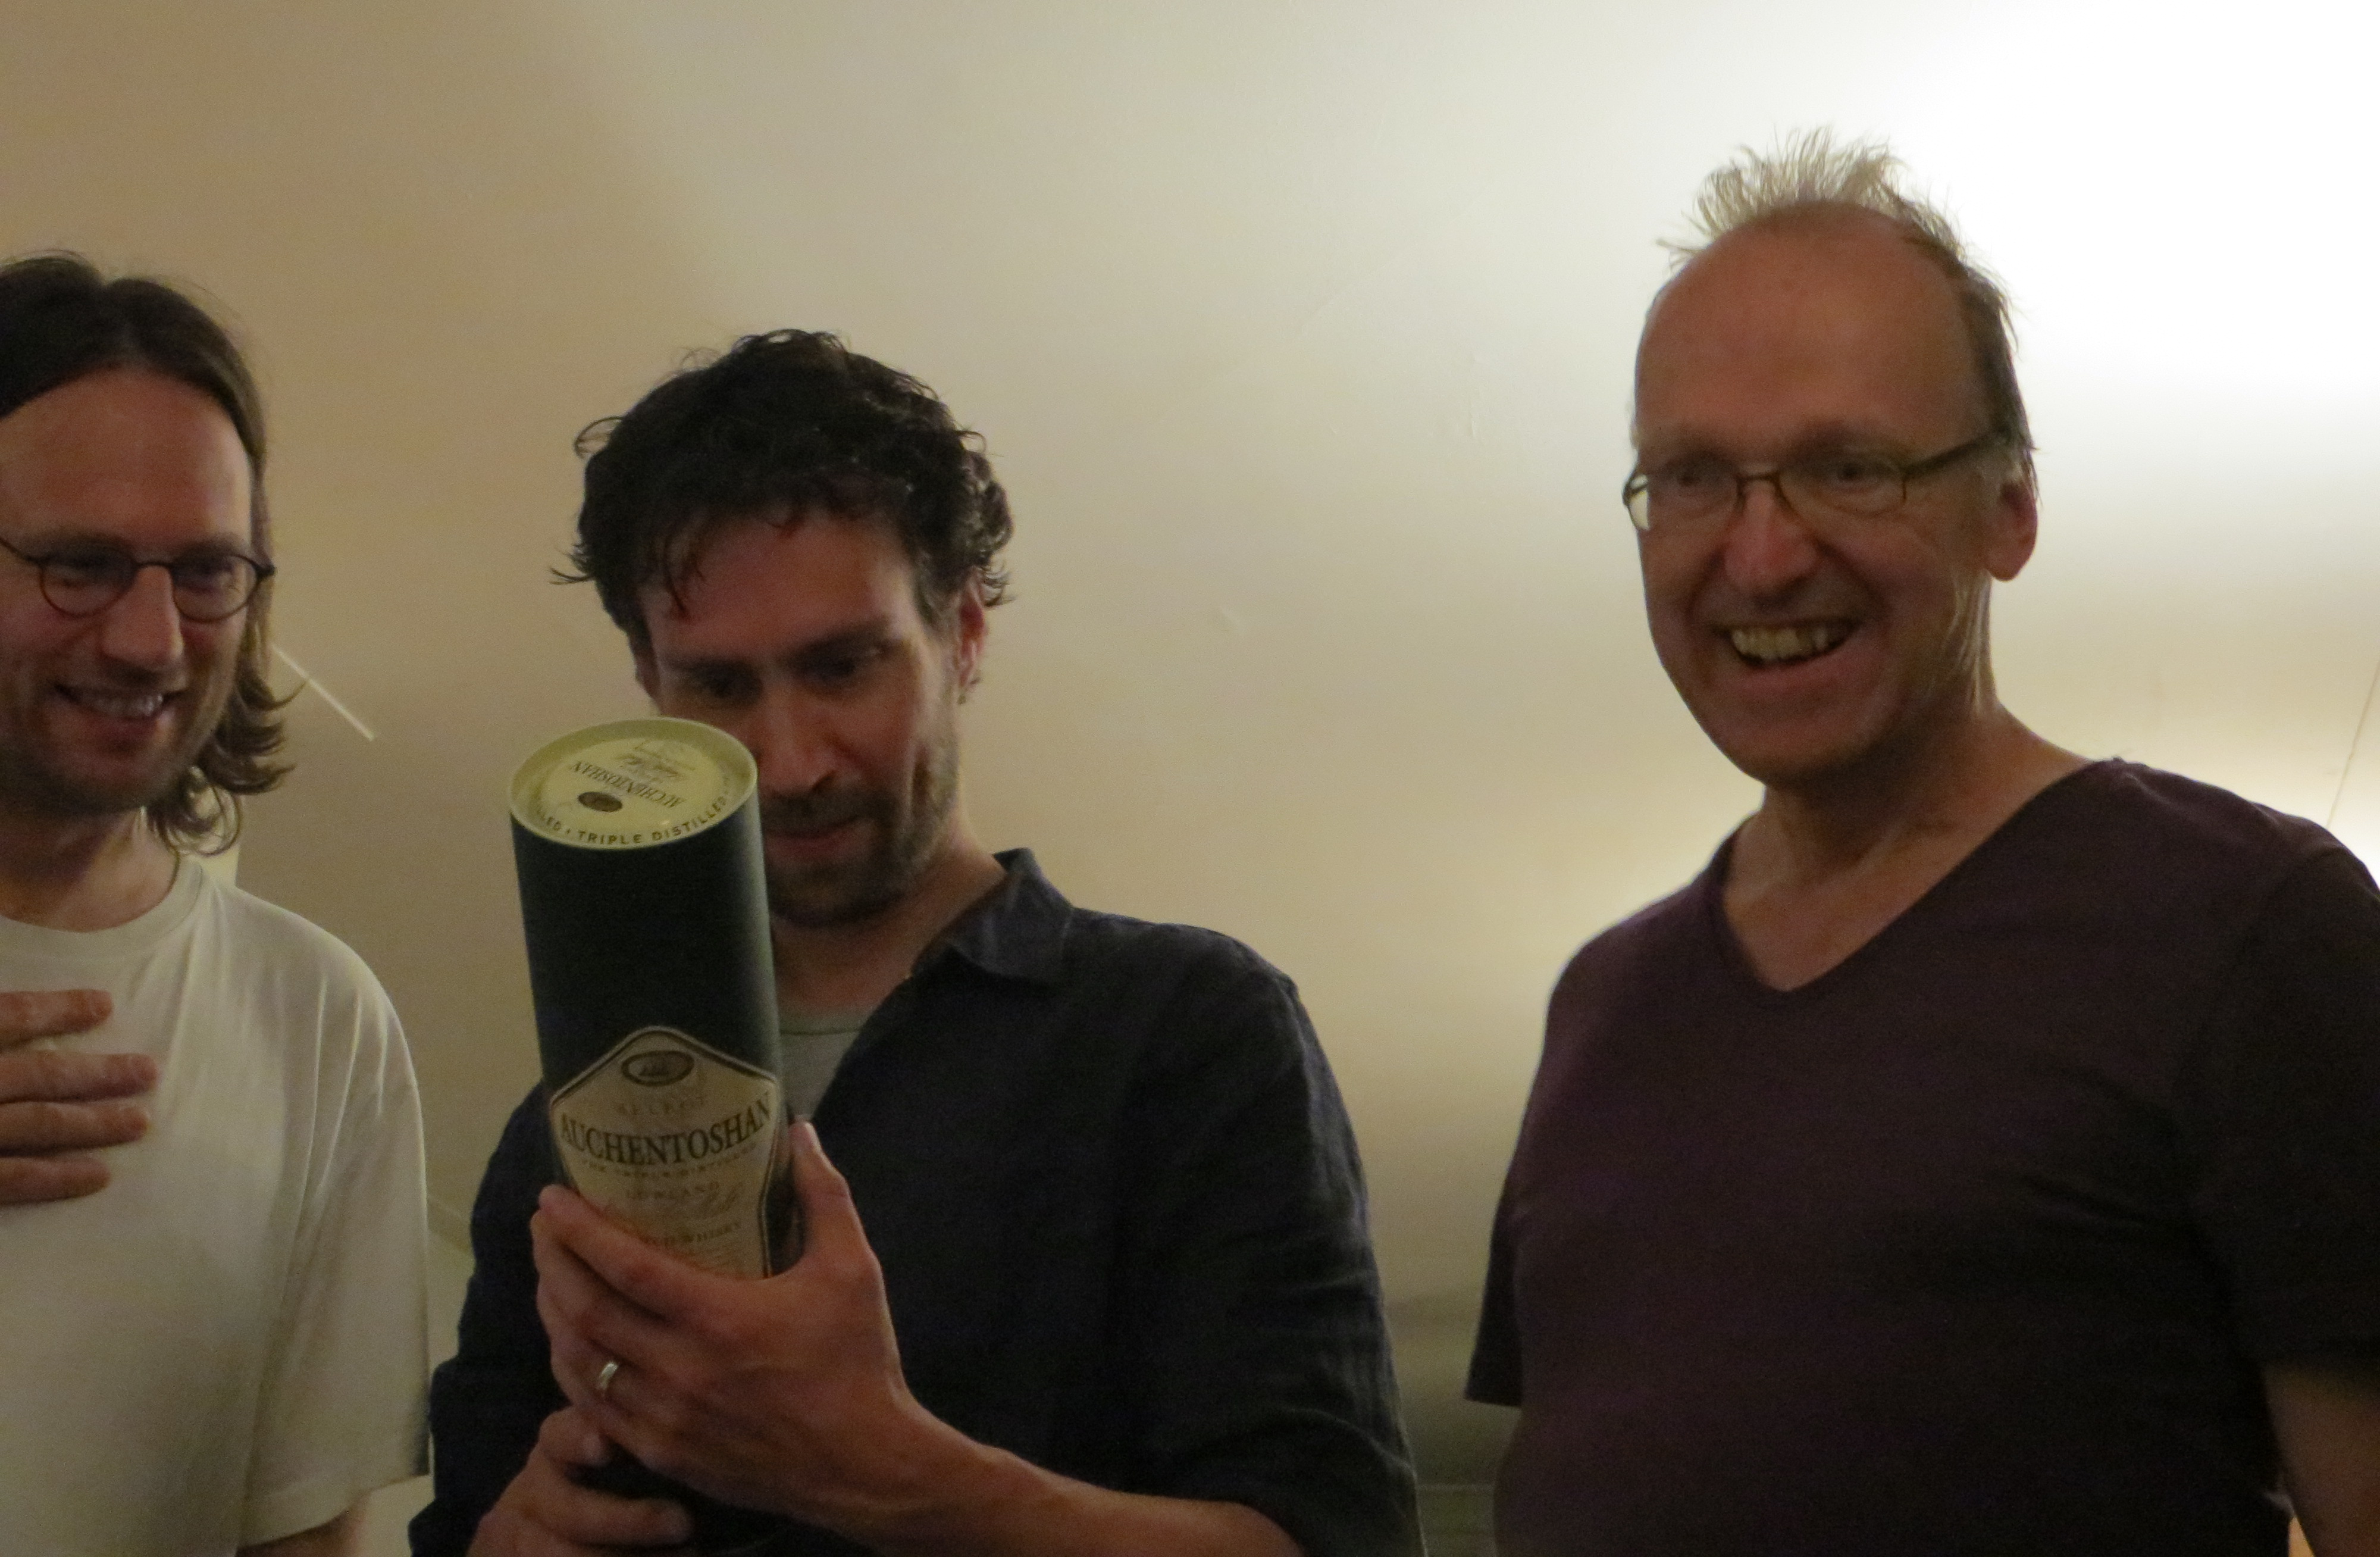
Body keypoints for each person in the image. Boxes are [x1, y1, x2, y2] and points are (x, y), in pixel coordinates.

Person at [1468, 135, 2380, 1556]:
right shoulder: (1603, 1004)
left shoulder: (2249, 926)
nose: (1759, 556)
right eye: (1691, 478)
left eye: (1847, 469)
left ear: (2007, 509)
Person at [414, 331, 1419, 1557]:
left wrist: (884, 1474)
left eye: (844, 667)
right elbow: (464, 1519)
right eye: (720, 689)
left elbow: (1337, 1540)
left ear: (965, 634)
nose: (790, 763)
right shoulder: (566, 1129)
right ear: (649, 684)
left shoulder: (1184, 1029)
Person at [0, 254, 428, 1553]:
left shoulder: (319, 1022)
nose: (150, 639)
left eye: (205, 571)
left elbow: (303, 1535)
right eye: (79, 564)